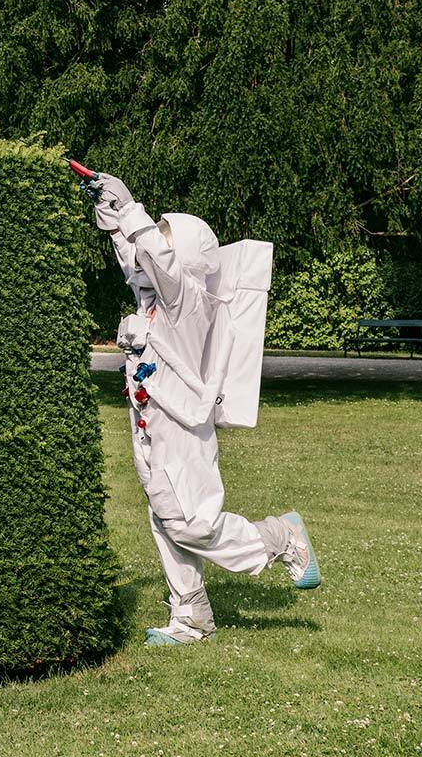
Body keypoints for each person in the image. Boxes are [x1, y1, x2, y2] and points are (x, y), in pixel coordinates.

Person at [88, 170, 319, 645]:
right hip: (151, 422)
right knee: (165, 519)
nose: (155, 255)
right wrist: (113, 223)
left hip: (180, 429)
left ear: (185, 256)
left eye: (167, 242)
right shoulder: (153, 299)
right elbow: (139, 259)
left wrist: (132, 209)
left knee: (191, 524)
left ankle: (279, 538)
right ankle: (190, 618)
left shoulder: (189, 300)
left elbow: (156, 259)